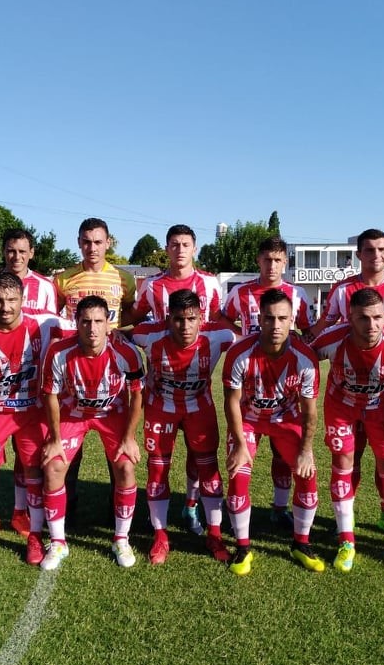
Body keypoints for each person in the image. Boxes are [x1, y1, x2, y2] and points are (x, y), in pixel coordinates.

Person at [305, 228, 384, 537]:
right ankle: (345, 518)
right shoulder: (342, 290)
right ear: (359, 254)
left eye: (382, 249)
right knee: (352, 455)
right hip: (348, 385)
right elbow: (323, 328)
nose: (376, 255)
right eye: (370, 250)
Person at [0, 272, 75, 573]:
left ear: (23, 299)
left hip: (33, 410)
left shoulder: (45, 323)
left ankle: (34, 537)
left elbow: (89, 328)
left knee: (34, 472)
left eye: (11, 300)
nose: (5, 307)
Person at [311, 288, 384, 577]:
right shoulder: (332, 339)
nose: (371, 325)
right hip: (341, 407)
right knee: (343, 463)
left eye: (377, 317)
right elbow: (306, 359)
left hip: (380, 408)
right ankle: (346, 541)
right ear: (350, 318)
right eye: (363, 318)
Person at [38, 296, 146, 570]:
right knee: (53, 467)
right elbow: (50, 396)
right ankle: (58, 542)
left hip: (112, 413)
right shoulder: (59, 352)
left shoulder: (127, 353)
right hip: (73, 413)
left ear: (109, 323)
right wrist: (54, 439)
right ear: (76, 323)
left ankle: (121, 539)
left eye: (98, 321)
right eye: (85, 321)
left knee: (125, 467)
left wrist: (129, 438)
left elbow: (137, 396)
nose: (92, 328)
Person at [128, 223, 223, 534]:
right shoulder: (152, 285)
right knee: (158, 461)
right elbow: (135, 320)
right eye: (174, 244)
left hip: (197, 383)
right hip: (161, 385)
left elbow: (219, 324)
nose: (180, 250)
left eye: (185, 244)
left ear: (194, 248)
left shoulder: (210, 283)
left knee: (200, 456)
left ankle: (191, 507)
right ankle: (158, 523)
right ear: (167, 248)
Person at [131, 289, 237, 564]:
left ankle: (214, 534)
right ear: (168, 318)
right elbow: (120, 336)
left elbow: (250, 341)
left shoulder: (220, 335)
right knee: (157, 469)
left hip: (199, 407)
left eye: (191, 319)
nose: (185, 326)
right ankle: (160, 536)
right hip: (160, 407)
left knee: (208, 468)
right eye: (178, 319)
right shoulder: (149, 335)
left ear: (201, 318)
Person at [0, 228, 61, 537]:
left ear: (31, 253)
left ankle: (21, 512)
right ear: (3, 252)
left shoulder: (45, 286)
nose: (16, 256)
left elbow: (52, 331)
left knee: (27, 456)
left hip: (29, 384)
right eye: (10, 250)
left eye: (22, 251)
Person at [222, 288, 322, 575]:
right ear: (259, 319)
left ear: (292, 320)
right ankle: (243, 547)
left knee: (307, 475)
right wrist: (240, 444)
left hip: (286, 419)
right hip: (248, 420)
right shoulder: (239, 353)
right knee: (238, 476)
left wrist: (306, 451)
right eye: (269, 318)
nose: (276, 325)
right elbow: (231, 402)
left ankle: (301, 543)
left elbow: (310, 411)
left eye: (282, 318)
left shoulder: (305, 358)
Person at [218, 235, 314, 529]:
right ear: (258, 260)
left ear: (285, 262)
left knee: (282, 455)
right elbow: (223, 319)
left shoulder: (297, 294)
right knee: (242, 452)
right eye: (266, 260)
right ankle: (234, 505)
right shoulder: (240, 292)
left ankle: (279, 507)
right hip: (250, 376)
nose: (271, 266)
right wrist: (242, 339)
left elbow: (307, 330)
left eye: (277, 260)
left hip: (282, 383)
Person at [53, 218, 137, 520]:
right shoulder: (63, 279)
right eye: (86, 242)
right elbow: (55, 317)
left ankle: (118, 509)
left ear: (108, 243)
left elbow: (131, 313)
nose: (92, 247)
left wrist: (118, 334)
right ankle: (68, 503)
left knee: (117, 449)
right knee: (70, 448)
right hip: (74, 373)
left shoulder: (124, 279)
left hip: (111, 375)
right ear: (79, 243)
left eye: (98, 242)